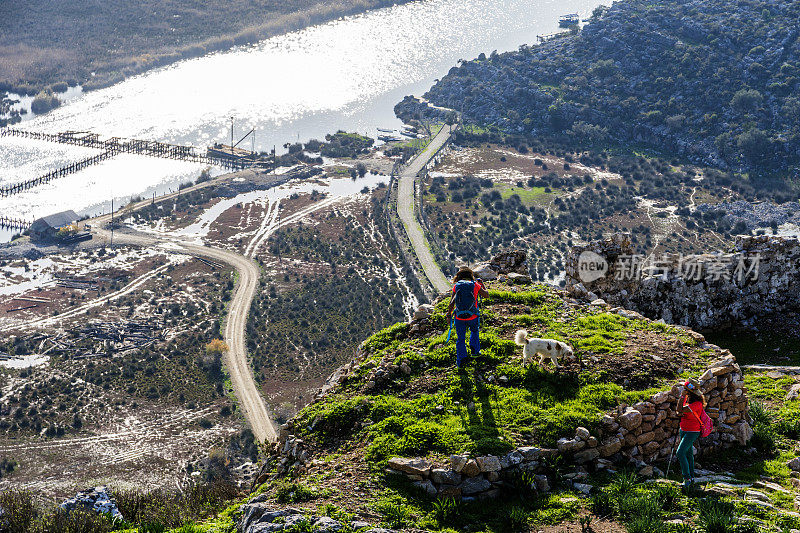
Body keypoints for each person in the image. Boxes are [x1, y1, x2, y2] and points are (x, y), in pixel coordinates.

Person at [446, 267, 489, 369]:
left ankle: (461, 362)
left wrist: (448, 315)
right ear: (470, 276)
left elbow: (452, 303)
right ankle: (475, 352)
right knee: (474, 331)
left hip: (459, 317)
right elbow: (486, 295)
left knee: (460, 339)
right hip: (472, 316)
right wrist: (482, 284)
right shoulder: (475, 285)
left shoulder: (457, 286)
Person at [674, 378, 706, 489]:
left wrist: (682, 396)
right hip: (683, 429)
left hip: (692, 432)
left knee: (680, 452)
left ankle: (686, 478)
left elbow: (680, 409)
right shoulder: (690, 401)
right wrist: (680, 411)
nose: (683, 390)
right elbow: (679, 412)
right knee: (688, 454)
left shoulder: (697, 404)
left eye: (685, 389)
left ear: (690, 392)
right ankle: (691, 478)